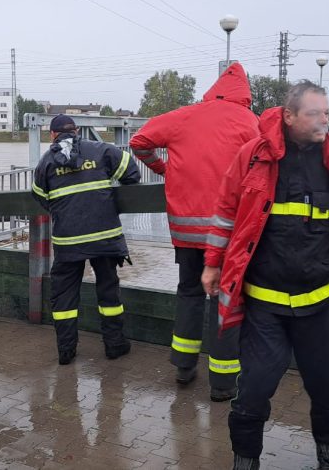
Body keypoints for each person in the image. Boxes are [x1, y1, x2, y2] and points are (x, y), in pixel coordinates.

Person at [201, 82, 329, 470]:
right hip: (265, 305)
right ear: (289, 116)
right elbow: (226, 211)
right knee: (253, 391)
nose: (324, 120)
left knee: (328, 387)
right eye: (315, 113)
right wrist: (213, 262)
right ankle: (245, 459)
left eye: (327, 112)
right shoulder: (253, 157)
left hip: (322, 303)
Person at [129, 62, 259, 402]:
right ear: (245, 95)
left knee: (188, 292)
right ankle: (223, 383)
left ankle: (184, 366)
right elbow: (266, 166)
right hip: (229, 233)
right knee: (225, 300)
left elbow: (139, 142)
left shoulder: (185, 115)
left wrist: (165, 168)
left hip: (185, 230)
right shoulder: (250, 122)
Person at [31, 115, 141, 365]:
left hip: (68, 241)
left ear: (52, 135)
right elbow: (131, 172)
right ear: (77, 131)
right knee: (108, 291)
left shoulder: (46, 162)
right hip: (105, 237)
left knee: (65, 297)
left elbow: (40, 196)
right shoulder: (102, 150)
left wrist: (64, 211)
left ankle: (66, 351)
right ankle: (114, 345)